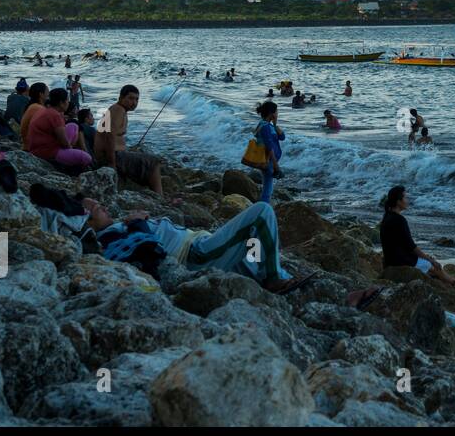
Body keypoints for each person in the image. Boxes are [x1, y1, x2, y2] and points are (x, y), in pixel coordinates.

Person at [82, 197, 311, 293]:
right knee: (261, 212)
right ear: (87, 223)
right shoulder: (107, 238)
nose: (103, 207)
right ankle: (273, 278)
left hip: (201, 244)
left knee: (255, 244)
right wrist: (139, 223)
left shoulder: (116, 226)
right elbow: (146, 247)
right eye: (96, 209)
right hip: (196, 255)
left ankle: (275, 276)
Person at [378, 185, 455, 288]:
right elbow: (411, 246)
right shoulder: (399, 220)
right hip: (401, 262)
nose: (407, 200)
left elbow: (402, 245)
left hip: (390, 261)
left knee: (431, 267)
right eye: (405, 197)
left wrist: (425, 258)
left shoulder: (387, 217)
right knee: (435, 267)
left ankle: (452, 281)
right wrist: (430, 260)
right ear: (398, 201)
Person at [94, 84, 164, 196]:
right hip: (111, 156)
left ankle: (152, 194)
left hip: (115, 154)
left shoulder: (119, 110)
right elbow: (109, 136)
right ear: (121, 98)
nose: (134, 102)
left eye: (137, 99)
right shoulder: (118, 110)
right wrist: (112, 162)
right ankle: (160, 198)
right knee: (154, 162)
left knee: (143, 157)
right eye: (130, 98)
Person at [25, 87, 94, 170]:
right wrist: (70, 148)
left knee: (73, 126)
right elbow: (64, 142)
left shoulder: (46, 110)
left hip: (37, 147)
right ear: (61, 103)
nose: (68, 103)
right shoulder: (55, 115)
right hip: (46, 152)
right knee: (86, 158)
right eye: (67, 100)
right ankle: (70, 167)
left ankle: (68, 155)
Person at [253, 100, 285, 203]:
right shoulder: (265, 127)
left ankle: (263, 208)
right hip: (268, 160)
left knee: (267, 187)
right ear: (271, 113)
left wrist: (275, 124)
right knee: (268, 189)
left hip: (269, 160)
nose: (277, 114)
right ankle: (263, 211)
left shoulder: (267, 125)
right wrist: (275, 165)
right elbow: (269, 147)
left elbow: (282, 137)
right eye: (276, 112)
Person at [19, 82, 49, 147]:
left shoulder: (32, 106)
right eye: (47, 91)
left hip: (28, 144)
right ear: (41, 94)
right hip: (33, 146)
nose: (48, 93)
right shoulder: (38, 108)